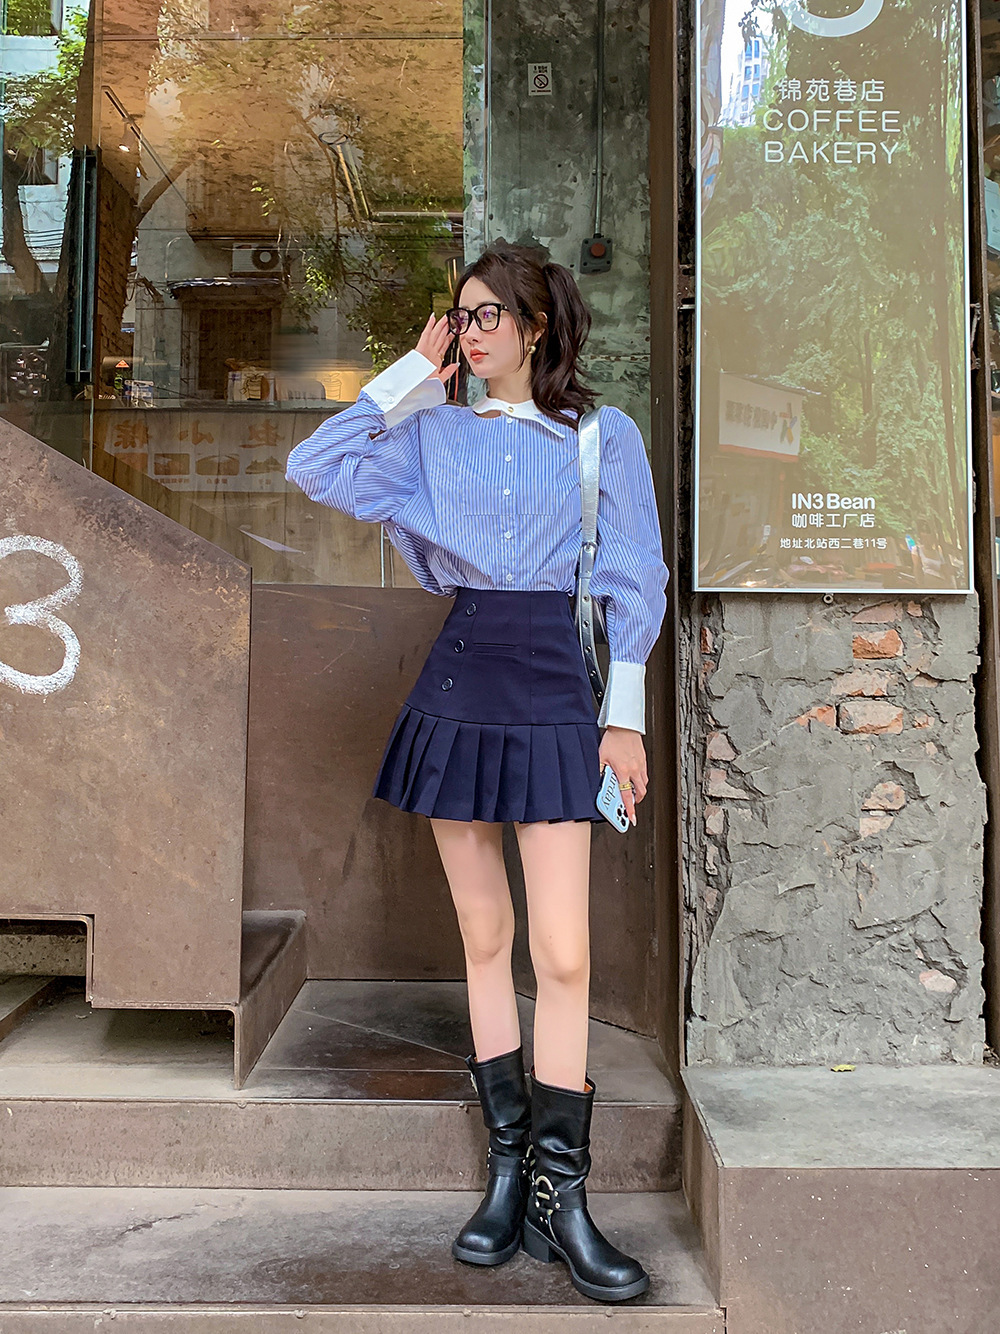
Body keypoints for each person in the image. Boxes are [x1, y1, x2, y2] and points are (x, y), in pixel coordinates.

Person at [285, 240, 669, 1304]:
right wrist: (415, 371)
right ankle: (507, 1174)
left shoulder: (601, 437)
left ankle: (562, 1194)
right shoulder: (431, 432)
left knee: (563, 950)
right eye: (460, 315)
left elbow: (636, 576)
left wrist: (624, 720)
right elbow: (315, 466)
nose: (472, 331)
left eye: (488, 314)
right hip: (458, 685)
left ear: (538, 325)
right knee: (486, 936)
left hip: (555, 690)